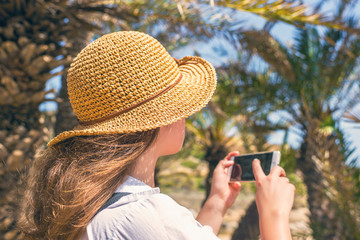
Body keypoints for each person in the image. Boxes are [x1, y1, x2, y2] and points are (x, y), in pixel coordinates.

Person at [19, 31, 295, 240]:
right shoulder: (144, 213)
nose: (186, 116)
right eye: (182, 106)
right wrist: (274, 215)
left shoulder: (91, 207)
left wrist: (216, 203)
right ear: (161, 119)